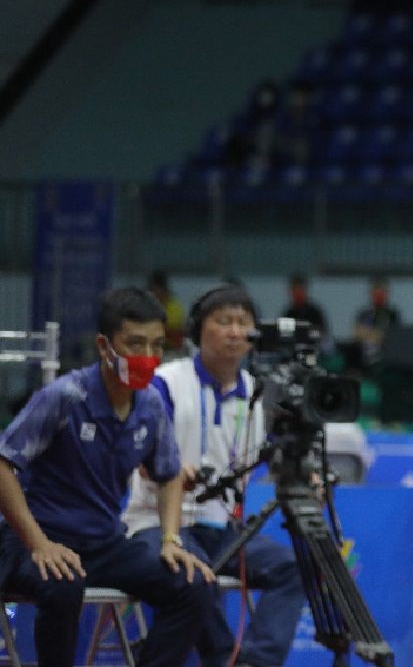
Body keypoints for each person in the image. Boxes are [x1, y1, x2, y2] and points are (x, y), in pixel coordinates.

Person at [0, 288, 216, 667]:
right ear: (105, 346)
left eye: (156, 346)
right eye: (135, 344)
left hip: (102, 543)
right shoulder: (65, 395)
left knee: (192, 587)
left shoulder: (150, 405)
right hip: (35, 540)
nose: (147, 357)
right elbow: (3, 464)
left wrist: (169, 538)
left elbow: (168, 475)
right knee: (63, 584)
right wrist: (39, 543)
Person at [122, 285, 304, 667]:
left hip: (222, 529)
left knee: (295, 566)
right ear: (197, 330)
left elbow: (269, 456)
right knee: (195, 574)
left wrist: (303, 475)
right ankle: (224, 660)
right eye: (224, 321)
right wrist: (166, 468)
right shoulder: (165, 382)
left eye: (243, 323)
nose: (235, 332)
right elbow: (136, 447)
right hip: (157, 523)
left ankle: (255, 662)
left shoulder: (257, 393)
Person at [353, 276, 400, 370]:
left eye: (382, 292)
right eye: (376, 292)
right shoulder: (363, 314)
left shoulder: (392, 315)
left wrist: (370, 334)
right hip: (364, 358)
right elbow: (357, 334)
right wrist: (376, 335)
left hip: (386, 358)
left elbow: (393, 336)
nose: (379, 295)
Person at [148, 269, 187, 354]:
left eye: (158, 291)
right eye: (153, 291)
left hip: (173, 352)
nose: (156, 295)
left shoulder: (174, 307)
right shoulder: (146, 305)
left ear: (165, 291)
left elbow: (177, 335)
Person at [282, 272, 329, 337]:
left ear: (305, 291)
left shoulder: (315, 313)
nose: (297, 295)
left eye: (300, 291)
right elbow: (284, 334)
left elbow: (322, 334)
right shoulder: (288, 314)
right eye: (294, 292)